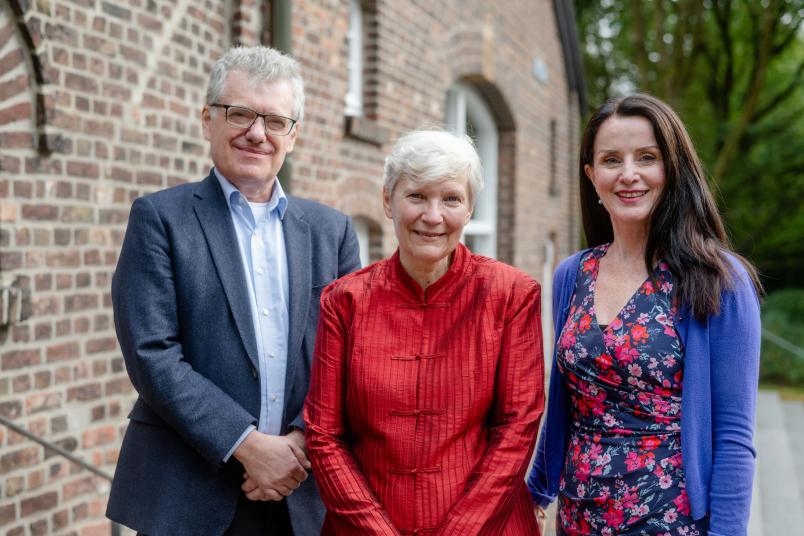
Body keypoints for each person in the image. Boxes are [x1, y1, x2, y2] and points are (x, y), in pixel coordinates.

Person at [106, 46, 361, 535]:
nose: (256, 133)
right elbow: (152, 353)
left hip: (303, 493)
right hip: (188, 493)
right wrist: (248, 446)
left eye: (274, 120)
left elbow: (349, 354)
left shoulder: (333, 232)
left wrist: (299, 446)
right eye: (239, 113)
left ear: (293, 134)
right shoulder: (160, 219)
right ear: (207, 120)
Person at [527, 93, 762, 536]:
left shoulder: (718, 280)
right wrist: (535, 492)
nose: (629, 174)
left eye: (647, 157)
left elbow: (733, 435)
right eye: (612, 160)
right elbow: (565, 405)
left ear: (671, 170)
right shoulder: (571, 275)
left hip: (669, 520)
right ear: (591, 176)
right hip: (578, 518)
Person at [304, 130, 545, 535]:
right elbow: (325, 435)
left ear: (469, 209)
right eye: (416, 196)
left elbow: (517, 428)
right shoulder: (344, 301)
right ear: (387, 201)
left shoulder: (511, 295)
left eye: (451, 199)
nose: (433, 216)